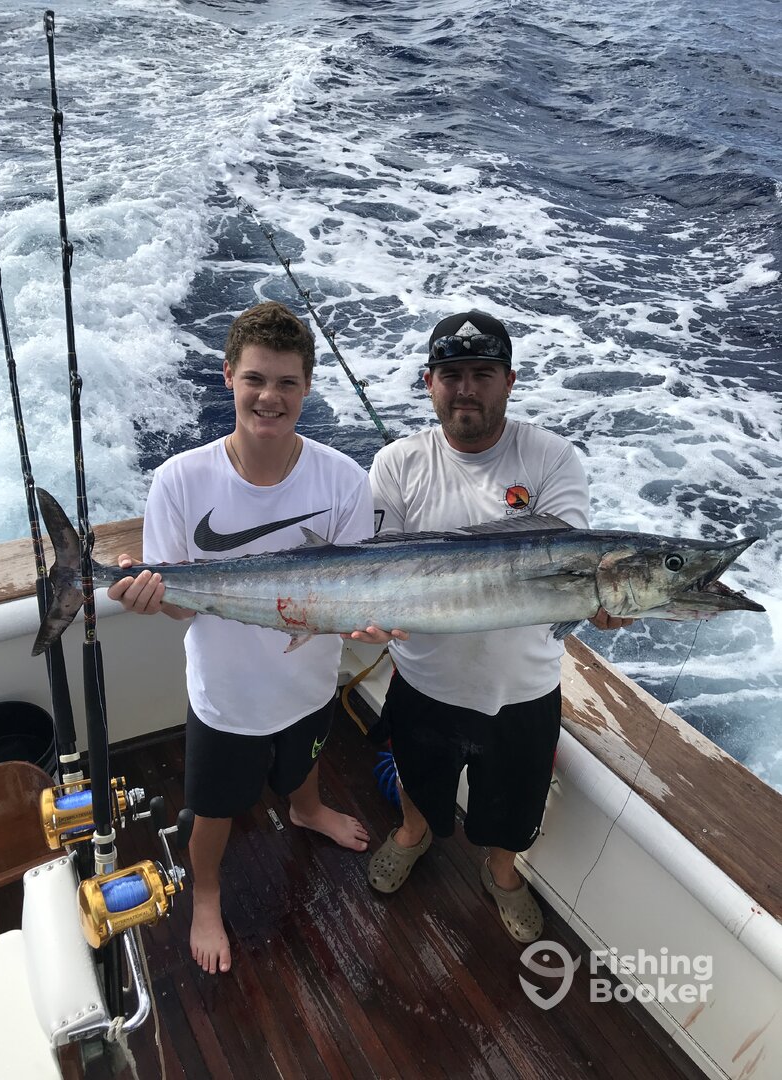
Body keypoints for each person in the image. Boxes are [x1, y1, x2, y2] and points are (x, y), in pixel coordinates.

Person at [108, 301, 376, 975]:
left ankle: (307, 810)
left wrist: (371, 619)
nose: (269, 397)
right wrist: (152, 598)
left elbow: (353, 599)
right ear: (229, 376)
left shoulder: (344, 480)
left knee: (303, 762)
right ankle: (206, 895)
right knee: (214, 811)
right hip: (225, 700)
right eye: (255, 378)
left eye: (287, 382)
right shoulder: (180, 480)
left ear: (307, 387)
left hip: (310, 685)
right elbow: (179, 610)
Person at [351, 309, 632, 944]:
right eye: (452, 375)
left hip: (522, 690)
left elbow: (573, 571)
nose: (466, 389)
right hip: (423, 681)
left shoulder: (552, 458)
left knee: (515, 804)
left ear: (509, 380)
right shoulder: (396, 463)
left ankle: (502, 872)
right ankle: (412, 833)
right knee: (418, 780)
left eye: (482, 374)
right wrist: (365, 622)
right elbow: (373, 572)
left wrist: (601, 603)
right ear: (429, 383)